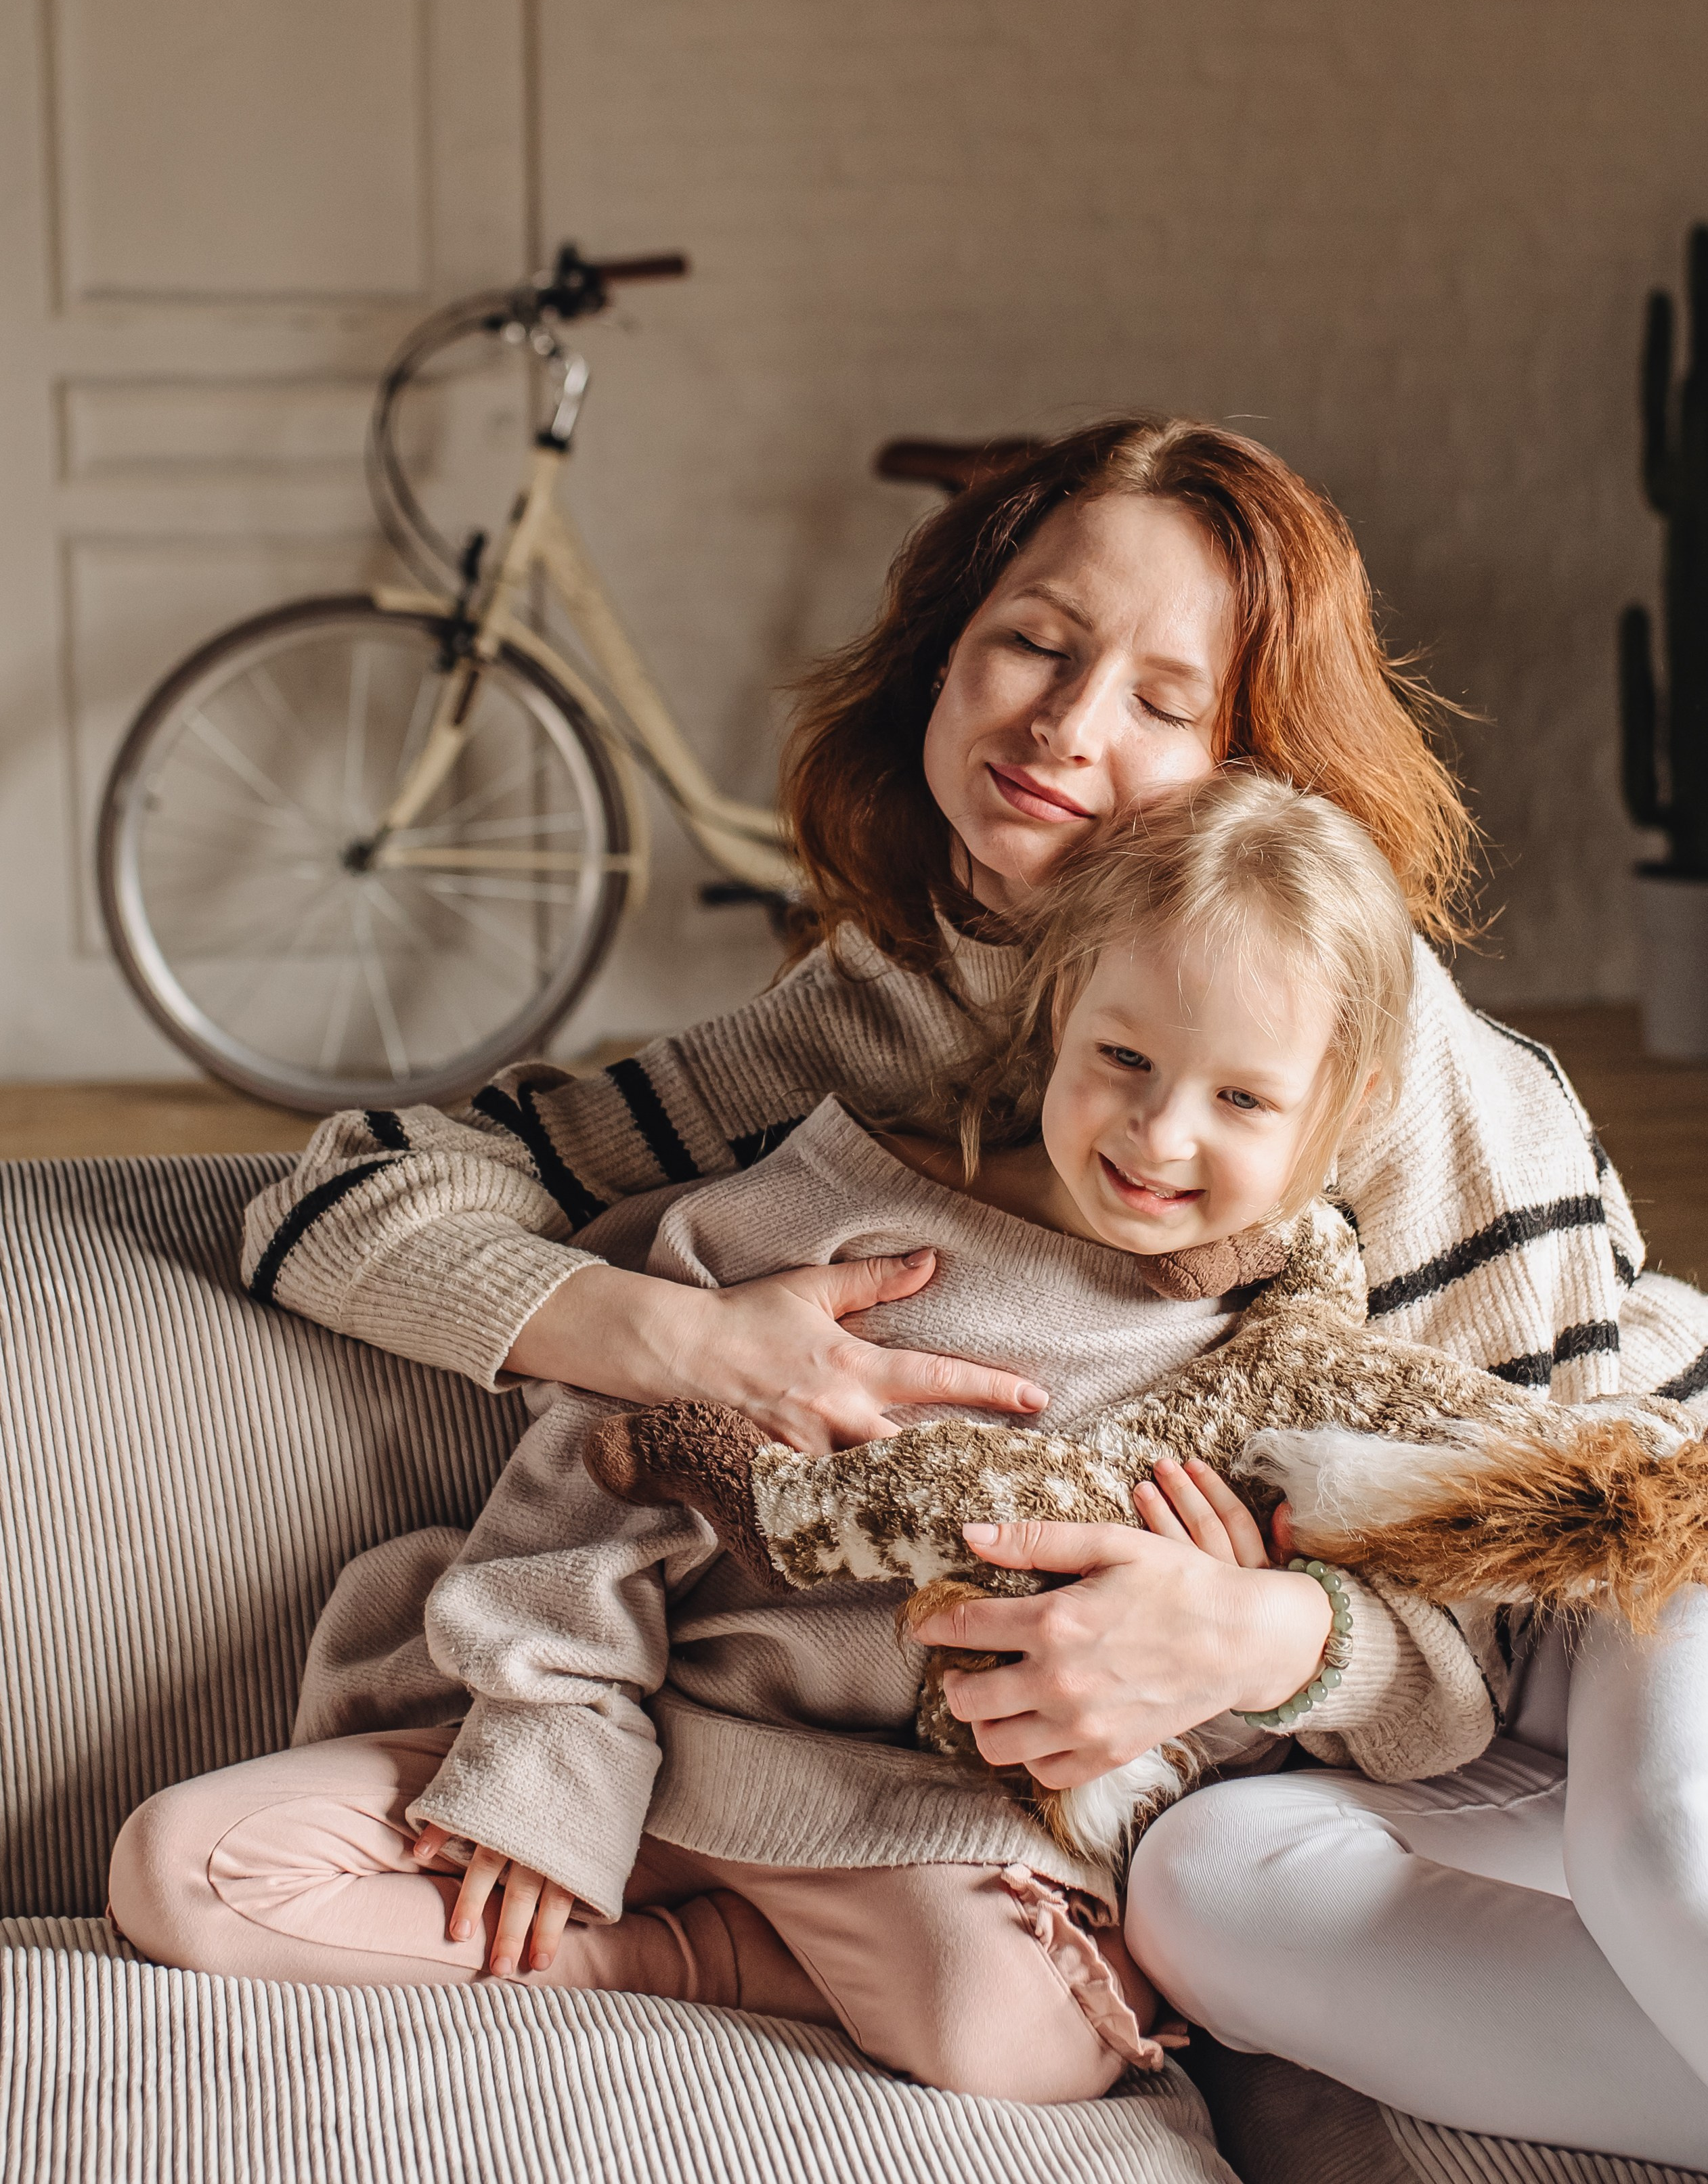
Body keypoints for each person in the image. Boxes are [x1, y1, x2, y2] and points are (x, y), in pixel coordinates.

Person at [228, 419, 1707, 2149]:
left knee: (1655, 1833)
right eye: (1034, 640)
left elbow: (1558, 1501)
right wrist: (689, 1345)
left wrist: (1259, 1630)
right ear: (943, 647)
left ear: (1257, 765)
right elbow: (340, 1194)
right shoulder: (877, 1011)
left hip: (1634, 1542)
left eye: (1167, 699)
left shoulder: (1396, 1050)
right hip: (1382, 1739)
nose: (1065, 728)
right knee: (1210, 1899)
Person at [115, 776, 1506, 2105]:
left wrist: (1268, 1640)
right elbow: (599, 1477)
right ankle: (630, 1915)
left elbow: (1445, 1698)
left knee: (1016, 2028)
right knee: (183, 1868)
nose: (1157, 1130)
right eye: (1123, 1057)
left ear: (1349, 1102)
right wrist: (549, 1772)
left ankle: (665, 1963)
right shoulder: (842, 1215)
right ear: (1061, 1007)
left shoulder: (1310, 1364)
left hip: (925, 1831)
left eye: (1241, 1098)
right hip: (652, 1744)